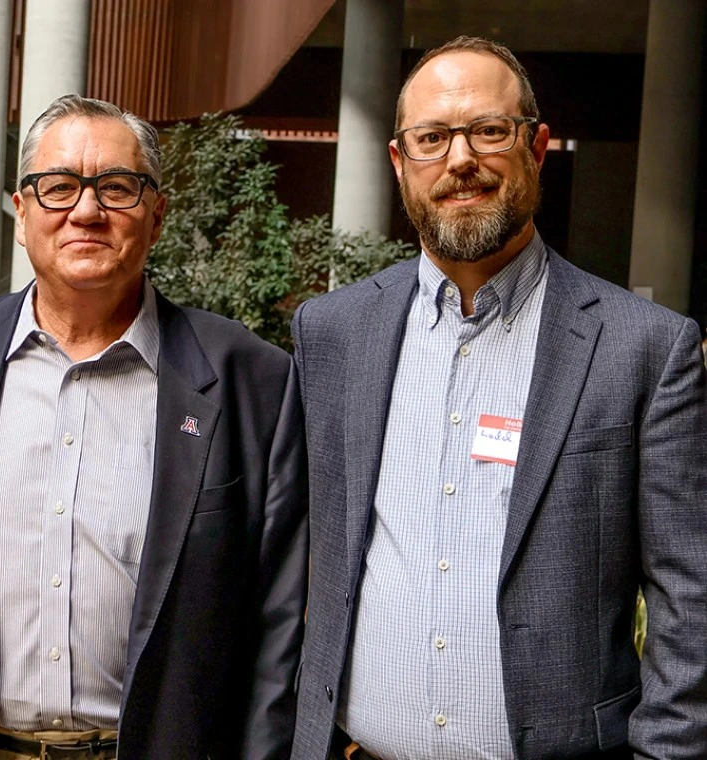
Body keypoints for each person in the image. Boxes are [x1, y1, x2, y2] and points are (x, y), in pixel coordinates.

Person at [292, 36, 707, 760]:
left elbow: (690, 598)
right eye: (432, 138)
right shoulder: (332, 334)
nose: (460, 160)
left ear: (537, 146)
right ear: (400, 162)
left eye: (488, 131)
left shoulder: (645, 348)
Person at [0, 94, 308, 760]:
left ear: (157, 215)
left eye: (117, 188)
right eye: (58, 188)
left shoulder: (252, 379)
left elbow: (278, 623)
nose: (86, 211)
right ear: (22, 214)